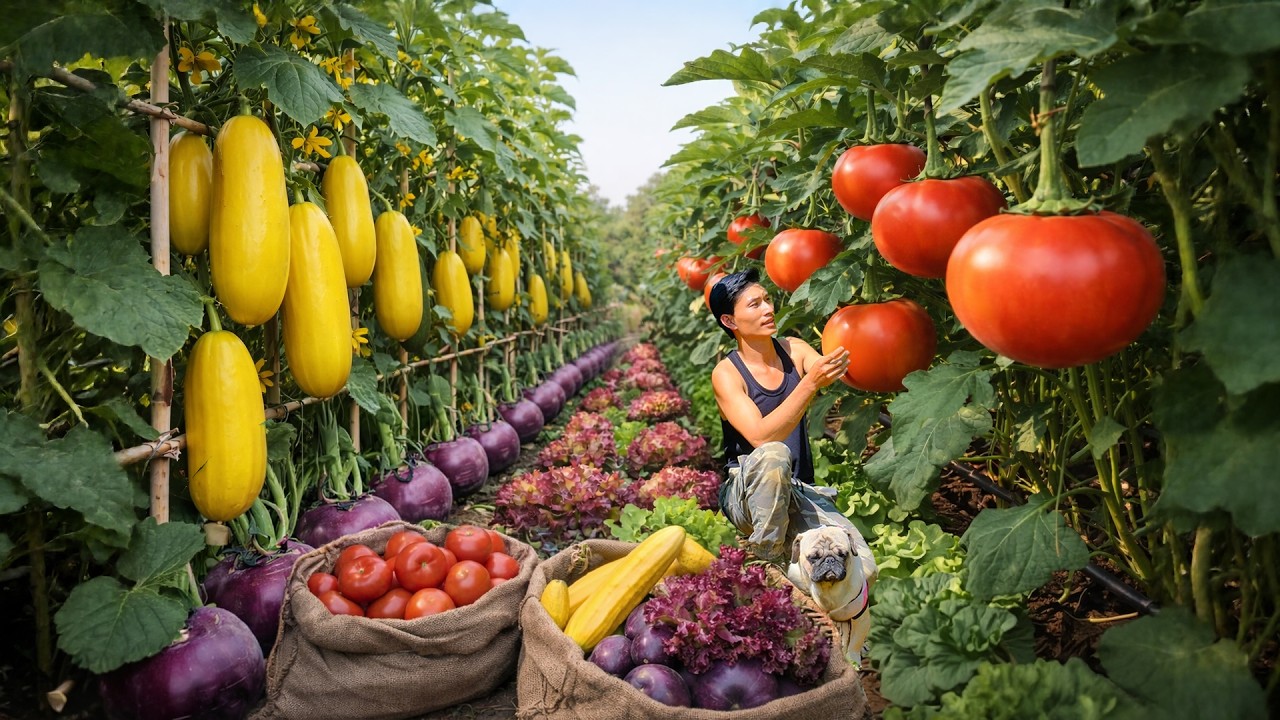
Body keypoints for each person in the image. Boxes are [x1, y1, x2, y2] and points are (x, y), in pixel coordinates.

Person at [707, 268, 861, 563]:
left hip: (797, 490)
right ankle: (765, 554)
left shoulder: (795, 349)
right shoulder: (726, 375)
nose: (768, 309)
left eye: (767, 299)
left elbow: (831, 368)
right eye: (755, 304)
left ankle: (790, 538)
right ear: (729, 321)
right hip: (746, 497)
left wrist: (856, 330)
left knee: (860, 563)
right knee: (775, 453)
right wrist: (810, 382)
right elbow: (761, 436)